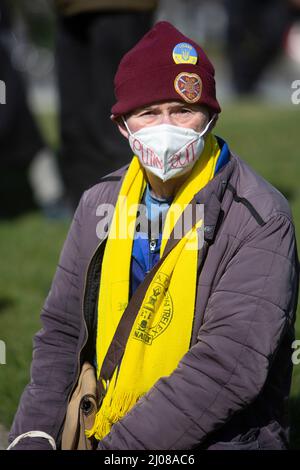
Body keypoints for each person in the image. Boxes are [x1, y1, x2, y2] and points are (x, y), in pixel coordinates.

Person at [8, 21, 299, 450]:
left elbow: (226, 368)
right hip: (106, 421)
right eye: (148, 113)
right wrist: (31, 437)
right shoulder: (98, 203)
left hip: (223, 439)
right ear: (122, 125)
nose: (167, 129)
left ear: (211, 117)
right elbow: (62, 332)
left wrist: (117, 452)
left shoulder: (260, 217)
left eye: (183, 110)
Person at [54, 0, 158, 211]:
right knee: (75, 125)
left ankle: (137, 204)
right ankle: (84, 208)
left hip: (122, 8)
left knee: (122, 120)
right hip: (70, 10)